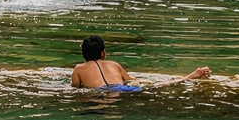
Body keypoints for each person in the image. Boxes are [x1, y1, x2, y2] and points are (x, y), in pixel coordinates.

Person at [69, 35, 210, 90]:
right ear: (103, 53)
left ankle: (188, 77)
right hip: (121, 89)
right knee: (156, 85)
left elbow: (75, 88)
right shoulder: (114, 64)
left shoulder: (78, 69)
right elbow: (130, 80)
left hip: (99, 92)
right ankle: (188, 77)